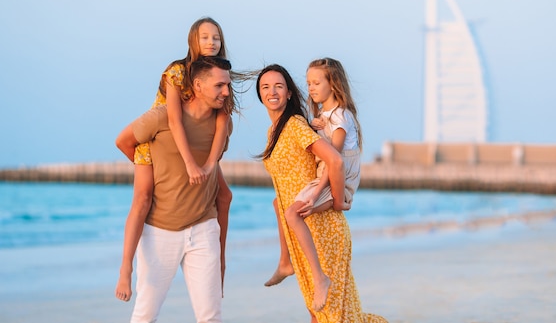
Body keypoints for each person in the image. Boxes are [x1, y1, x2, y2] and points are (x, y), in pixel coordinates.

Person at [256, 64, 387, 323]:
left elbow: (335, 161)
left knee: (337, 317)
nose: (272, 92)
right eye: (265, 87)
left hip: (323, 228)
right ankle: (286, 262)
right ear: (259, 95)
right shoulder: (273, 132)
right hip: (302, 230)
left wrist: (337, 201)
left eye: (279, 86)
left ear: (290, 93)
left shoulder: (294, 124)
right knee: (318, 315)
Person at [120, 17, 234, 298]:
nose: (211, 42)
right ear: (192, 41)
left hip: (195, 142)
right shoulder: (178, 71)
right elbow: (173, 119)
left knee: (225, 196)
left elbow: (222, 122)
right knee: (143, 198)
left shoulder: (220, 75)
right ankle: (125, 269)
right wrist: (181, 164)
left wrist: (209, 163)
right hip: (159, 137)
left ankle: (218, 268)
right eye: (205, 37)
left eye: (216, 38)